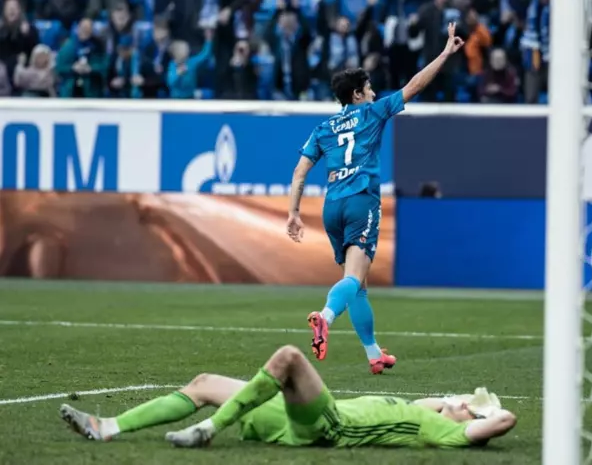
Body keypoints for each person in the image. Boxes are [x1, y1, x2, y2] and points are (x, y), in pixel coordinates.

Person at [286, 23, 465, 374]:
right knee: (354, 278)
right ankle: (324, 317)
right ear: (357, 95)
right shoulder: (372, 112)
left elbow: (299, 172)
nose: (373, 92)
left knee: (359, 286)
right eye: (368, 88)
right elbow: (415, 85)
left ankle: (373, 354)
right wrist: (445, 53)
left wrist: (293, 212)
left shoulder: (323, 129)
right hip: (360, 201)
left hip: (332, 208)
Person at [60, 345, 517, 449]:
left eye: (469, 410)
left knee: (290, 358)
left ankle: (209, 429)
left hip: (329, 425)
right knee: (204, 382)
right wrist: (460, 400)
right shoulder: (426, 411)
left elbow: (504, 421)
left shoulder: (443, 434)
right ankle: (108, 427)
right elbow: (439, 400)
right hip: (298, 416)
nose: (462, 404)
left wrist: (483, 413)